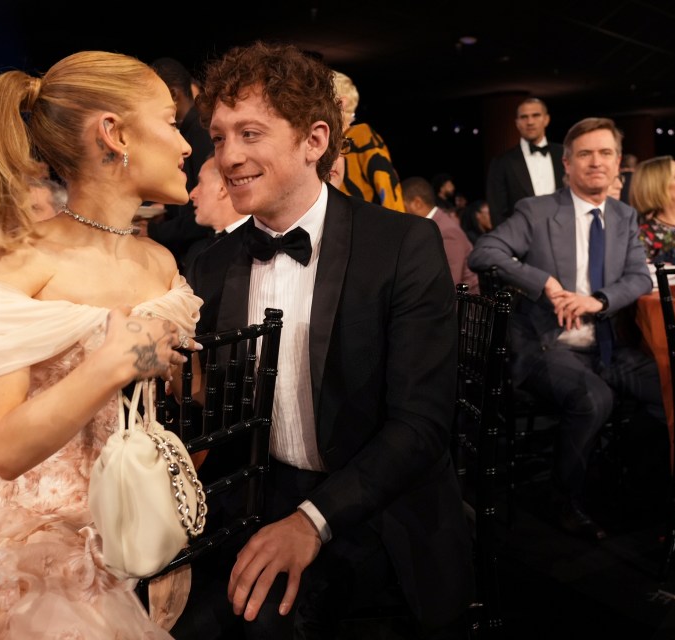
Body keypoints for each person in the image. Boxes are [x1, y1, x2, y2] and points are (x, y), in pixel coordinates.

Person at [0, 50, 204, 638]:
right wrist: (115, 362)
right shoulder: (15, 259)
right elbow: (5, 446)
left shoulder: (160, 260)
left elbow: (187, 392)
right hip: (39, 543)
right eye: (171, 122)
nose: (187, 145)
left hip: (138, 526)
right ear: (114, 133)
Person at [178, 41, 472, 639]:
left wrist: (311, 522)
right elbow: (210, 415)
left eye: (251, 134)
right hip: (254, 496)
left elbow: (421, 427)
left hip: (379, 505)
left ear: (315, 141)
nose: (229, 156)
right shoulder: (209, 266)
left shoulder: (403, 246)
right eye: (219, 137)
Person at [468, 117, 665, 542]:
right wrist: (545, 284)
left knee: (668, 391)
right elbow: (485, 252)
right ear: (568, 164)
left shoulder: (625, 216)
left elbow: (640, 278)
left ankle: (629, 479)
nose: (597, 162)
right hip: (544, 343)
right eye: (586, 154)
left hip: (604, 342)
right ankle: (565, 498)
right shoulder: (537, 211)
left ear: (617, 165)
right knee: (594, 398)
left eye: (606, 153)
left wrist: (599, 300)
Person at [147, 57, 216, 270]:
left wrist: (155, 231)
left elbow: (204, 213)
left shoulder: (201, 134)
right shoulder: (191, 132)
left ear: (174, 95)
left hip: (201, 252)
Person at [331, 70, 405, 211]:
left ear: (341, 103)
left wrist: (396, 230)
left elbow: (387, 185)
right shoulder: (332, 141)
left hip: (362, 225)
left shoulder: (361, 135)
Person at [485, 98, 565, 227]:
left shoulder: (565, 154)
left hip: (566, 234)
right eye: (524, 117)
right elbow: (498, 213)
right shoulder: (502, 162)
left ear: (546, 119)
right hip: (522, 241)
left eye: (536, 115)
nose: (530, 122)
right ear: (517, 123)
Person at [402, 175, 478, 293]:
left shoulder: (447, 231)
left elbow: (449, 283)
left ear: (417, 203)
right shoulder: (432, 225)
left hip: (459, 306)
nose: (399, 212)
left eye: (403, 206)